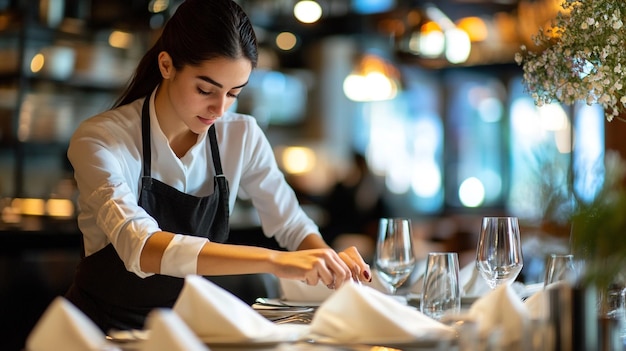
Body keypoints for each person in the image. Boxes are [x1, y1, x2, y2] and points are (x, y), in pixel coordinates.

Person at [64, 0, 371, 333]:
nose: (219, 109)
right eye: (205, 89)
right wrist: (275, 261)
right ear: (166, 65)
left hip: (183, 331)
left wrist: (329, 261)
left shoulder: (241, 136)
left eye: (233, 94)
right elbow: (141, 247)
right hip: (102, 331)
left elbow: (291, 223)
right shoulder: (101, 139)